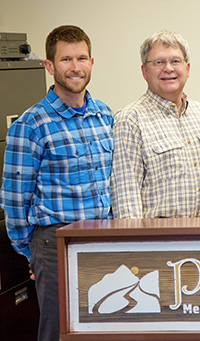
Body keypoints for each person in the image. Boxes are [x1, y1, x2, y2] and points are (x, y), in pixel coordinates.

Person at [0, 25, 113, 340]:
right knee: (58, 330)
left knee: (102, 327)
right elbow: (13, 199)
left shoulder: (105, 116)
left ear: (92, 62)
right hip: (55, 242)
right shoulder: (31, 124)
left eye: (81, 58)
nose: (75, 67)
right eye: (66, 60)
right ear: (50, 66)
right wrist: (33, 252)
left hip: (105, 238)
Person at [110, 30, 200, 218]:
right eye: (159, 62)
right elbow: (126, 199)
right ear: (144, 71)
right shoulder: (130, 119)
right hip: (159, 242)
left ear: (188, 68)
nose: (168, 68)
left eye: (175, 61)